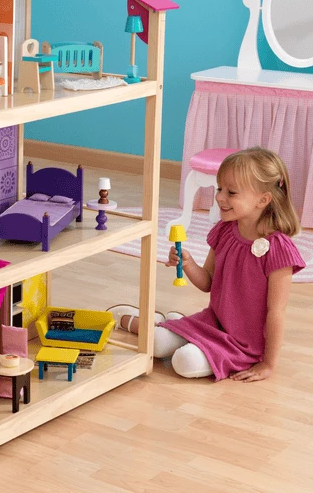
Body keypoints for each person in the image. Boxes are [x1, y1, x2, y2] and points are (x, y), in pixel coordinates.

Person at [112, 147, 305, 382]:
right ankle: (140, 320)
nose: (220, 197)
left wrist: (268, 364)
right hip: (212, 323)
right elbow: (208, 282)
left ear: (263, 200)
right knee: (156, 343)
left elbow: (276, 312)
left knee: (185, 362)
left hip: (243, 344)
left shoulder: (278, 249)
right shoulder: (224, 231)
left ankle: (170, 324)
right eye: (220, 189)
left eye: (231, 192)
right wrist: (188, 263)